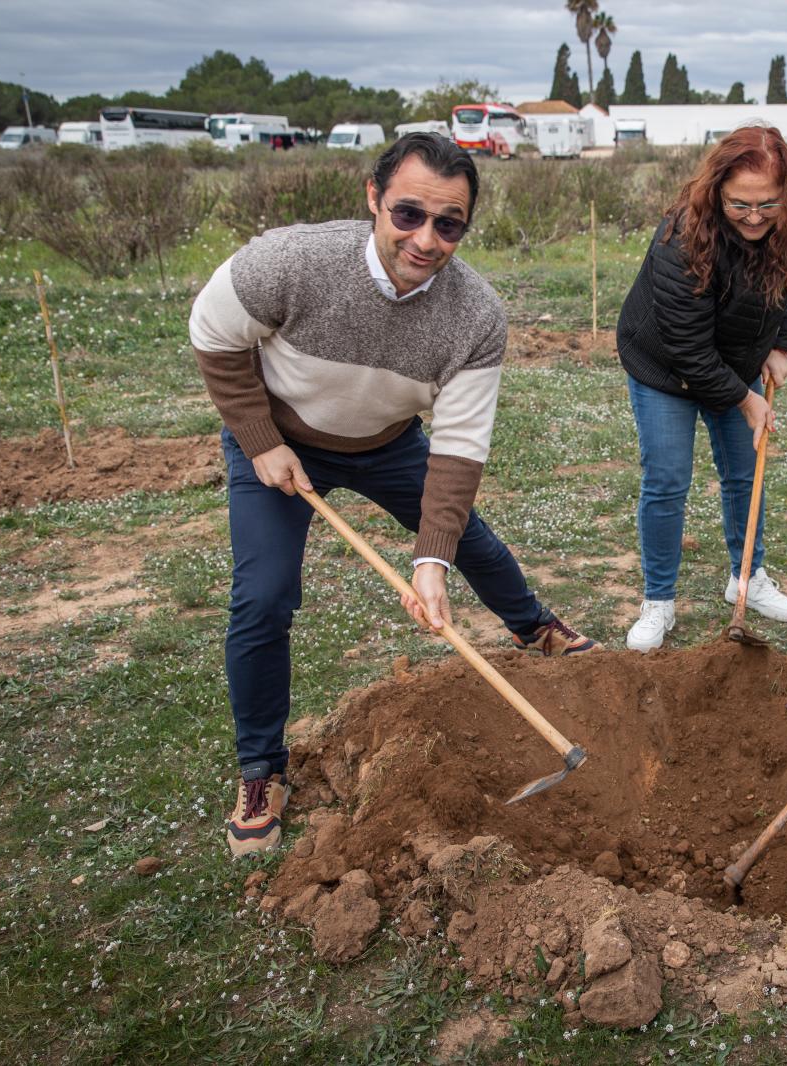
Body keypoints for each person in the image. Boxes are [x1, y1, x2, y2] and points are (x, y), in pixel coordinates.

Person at [190, 132, 597, 857]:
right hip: (279, 440)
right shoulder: (290, 262)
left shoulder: (475, 316)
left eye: (449, 224)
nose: (426, 238)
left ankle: (532, 625)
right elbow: (213, 332)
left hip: (385, 442)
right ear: (374, 198)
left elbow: (461, 446)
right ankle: (261, 769)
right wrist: (259, 440)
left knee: (466, 538)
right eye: (409, 213)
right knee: (262, 596)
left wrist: (428, 562)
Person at [615, 125, 787, 651]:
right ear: (717, 187)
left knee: (746, 476)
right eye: (739, 204)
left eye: (766, 204)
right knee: (667, 480)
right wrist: (746, 399)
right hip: (664, 364)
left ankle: (746, 578)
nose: (754, 217)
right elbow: (687, 348)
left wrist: (781, 347)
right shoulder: (682, 235)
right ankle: (658, 601)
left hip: (737, 357)